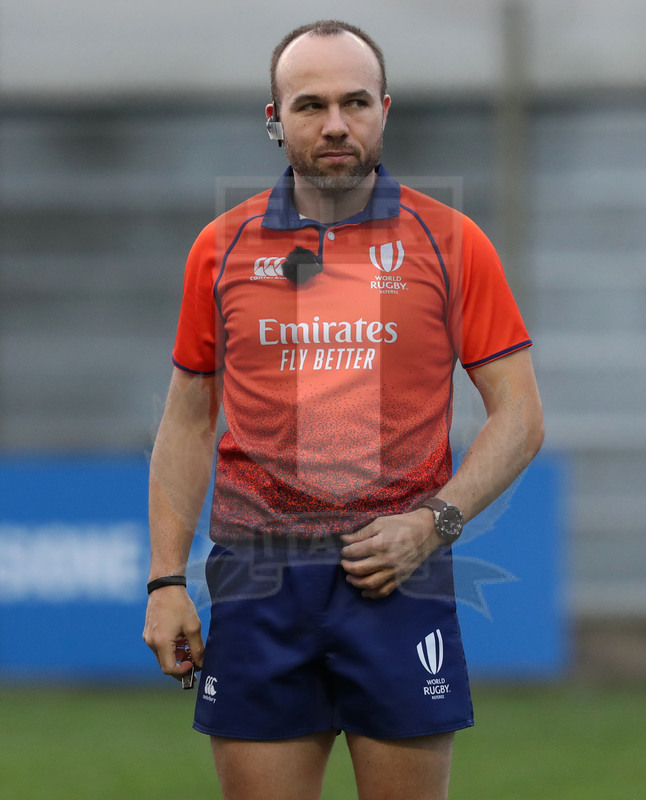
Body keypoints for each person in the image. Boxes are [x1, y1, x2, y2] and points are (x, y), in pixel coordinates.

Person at [143, 19, 544, 800]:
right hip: (258, 578)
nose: (334, 124)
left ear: (384, 110)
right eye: (310, 105)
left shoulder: (452, 242)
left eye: (354, 102)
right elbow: (188, 421)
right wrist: (165, 581)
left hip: (397, 579)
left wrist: (433, 524)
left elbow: (521, 416)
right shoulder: (220, 249)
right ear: (275, 120)